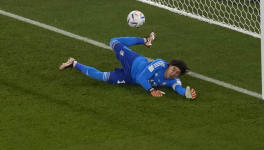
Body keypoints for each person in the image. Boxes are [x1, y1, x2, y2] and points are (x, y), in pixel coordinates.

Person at [59, 32, 197, 99]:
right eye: (173, 69)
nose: (173, 73)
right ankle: (145, 40)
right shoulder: (160, 64)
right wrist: (151, 90)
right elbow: (142, 77)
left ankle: (73, 63)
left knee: (103, 77)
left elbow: (178, 88)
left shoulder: (174, 80)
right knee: (113, 42)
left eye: (177, 72)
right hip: (134, 62)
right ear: (169, 65)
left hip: (129, 77)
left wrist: (187, 94)